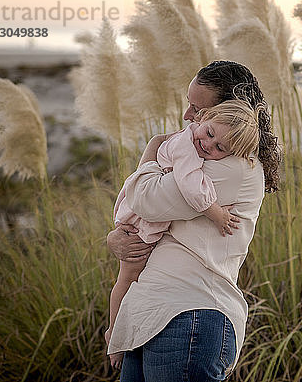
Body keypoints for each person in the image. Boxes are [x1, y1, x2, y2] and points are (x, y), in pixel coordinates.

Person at [105, 60, 281, 382]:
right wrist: (115, 238)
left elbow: (144, 198)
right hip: (150, 313)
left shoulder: (234, 165)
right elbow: (141, 212)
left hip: (189, 314)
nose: (188, 116)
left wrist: (154, 146)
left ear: (228, 112)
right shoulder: (202, 154)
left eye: (197, 109)